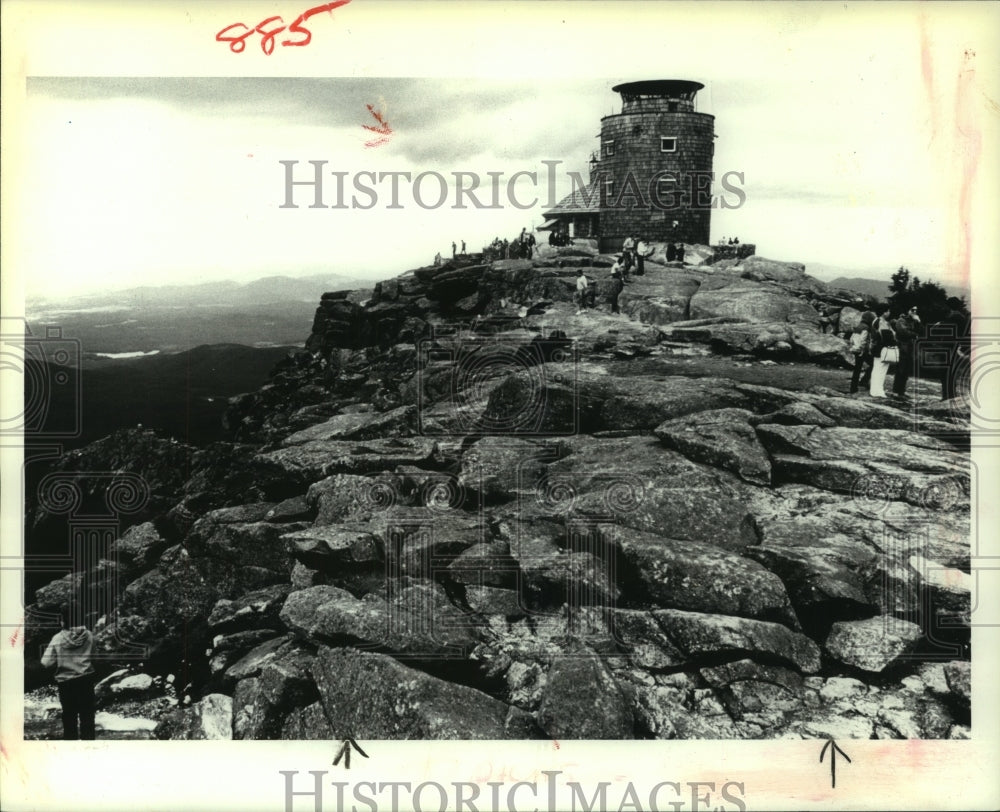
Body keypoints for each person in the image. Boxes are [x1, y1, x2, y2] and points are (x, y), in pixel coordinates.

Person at [41, 603, 96, 740]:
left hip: (66, 683)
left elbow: (46, 663)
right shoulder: (89, 635)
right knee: (87, 718)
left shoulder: (57, 638)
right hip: (86, 680)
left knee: (69, 719)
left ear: (63, 621)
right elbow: (95, 656)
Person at [891, 305, 921, 399]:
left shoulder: (913, 321)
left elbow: (921, 331)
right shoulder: (901, 320)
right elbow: (903, 332)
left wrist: (919, 322)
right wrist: (914, 335)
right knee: (900, 369)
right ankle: (896, 391)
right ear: (907, 310)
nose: (914, 312)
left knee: (906, 370)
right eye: (912, 309)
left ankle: (901, 391)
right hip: (902, 347)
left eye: (916, 310)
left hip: (910, 348)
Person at [869, 306, 897, 399]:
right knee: (879, 369)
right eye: (888, 311)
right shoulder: (880, 322)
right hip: (880, 348)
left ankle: (878, 390)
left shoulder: (881, 321)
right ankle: (875, 390)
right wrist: (893, 340)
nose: (889, 313)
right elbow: (886, 336)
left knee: (881, 369)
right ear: (883, 312)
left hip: (881, 348)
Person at [849, 310, 877, 394]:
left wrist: (854, 347)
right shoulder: (866, 328)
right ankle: (862, 382)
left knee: (857, 369)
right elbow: (863, 340)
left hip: (856, 349)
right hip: (862, 351)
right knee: (873, 364)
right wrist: (864, 350)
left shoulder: (859, 326)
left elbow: (851, 338)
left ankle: (854, 388)